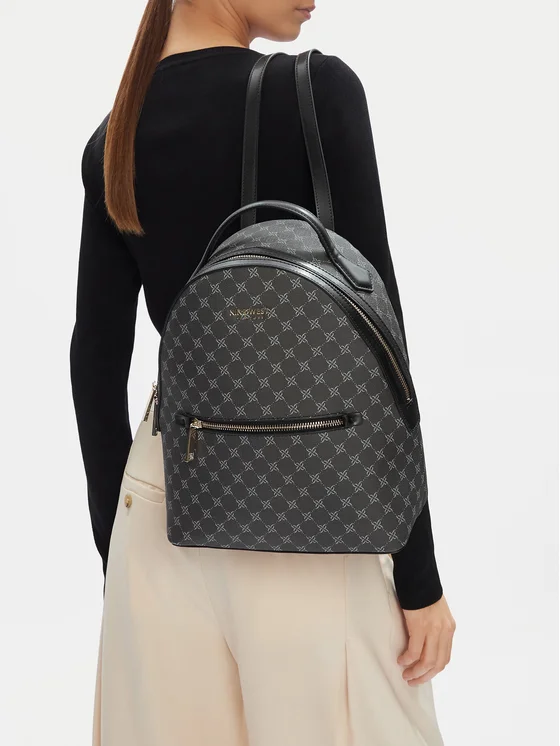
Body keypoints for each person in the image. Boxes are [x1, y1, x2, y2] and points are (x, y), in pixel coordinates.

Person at [70, 1, 456, 744]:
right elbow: (382, 347)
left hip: (159, 506)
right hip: (312, 506)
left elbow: (94, 361)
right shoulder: (315, 93)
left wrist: (119, 560)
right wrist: (419, 576)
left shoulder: (115, 137)